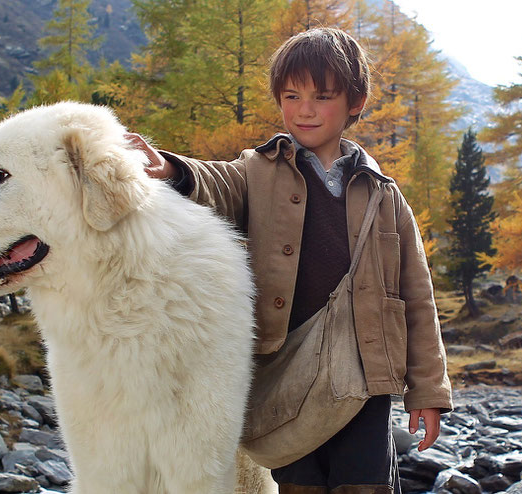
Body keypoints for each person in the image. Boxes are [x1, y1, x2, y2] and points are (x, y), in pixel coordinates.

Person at [131, 27, 452, 494]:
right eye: (291, 95)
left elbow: (417, 298)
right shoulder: (258, 171)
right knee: (299, 487)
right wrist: (172, 168)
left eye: (322, 96)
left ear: (355, 101)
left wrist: (428, 393)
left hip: (365, 377)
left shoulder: (385, 197)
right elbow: (216, 182)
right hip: (286, 373)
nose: (305, 109)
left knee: (366, 485)